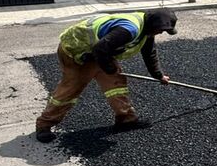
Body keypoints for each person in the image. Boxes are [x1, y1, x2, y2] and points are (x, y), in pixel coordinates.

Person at [35, 8, 178, 142]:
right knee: (71, 88)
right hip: (76, 49)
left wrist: (159, 75)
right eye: (161, 30)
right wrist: (109, 69)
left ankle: (126, 119)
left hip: (99, 52)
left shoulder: (146, 31)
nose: (160, 33)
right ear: (153, 25)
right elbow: (100, 49)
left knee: (116, 83)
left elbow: (149, 54)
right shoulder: (129, 29)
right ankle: (44, 125)